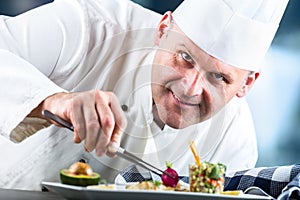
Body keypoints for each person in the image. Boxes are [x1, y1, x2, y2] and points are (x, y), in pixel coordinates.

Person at [0, 0, 288, 190]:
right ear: (163, 29)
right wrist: (53, 100)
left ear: (247, 84)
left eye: (219, 77)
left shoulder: (233, 140)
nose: (190, 88)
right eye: (184, 56)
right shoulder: (89, 25)